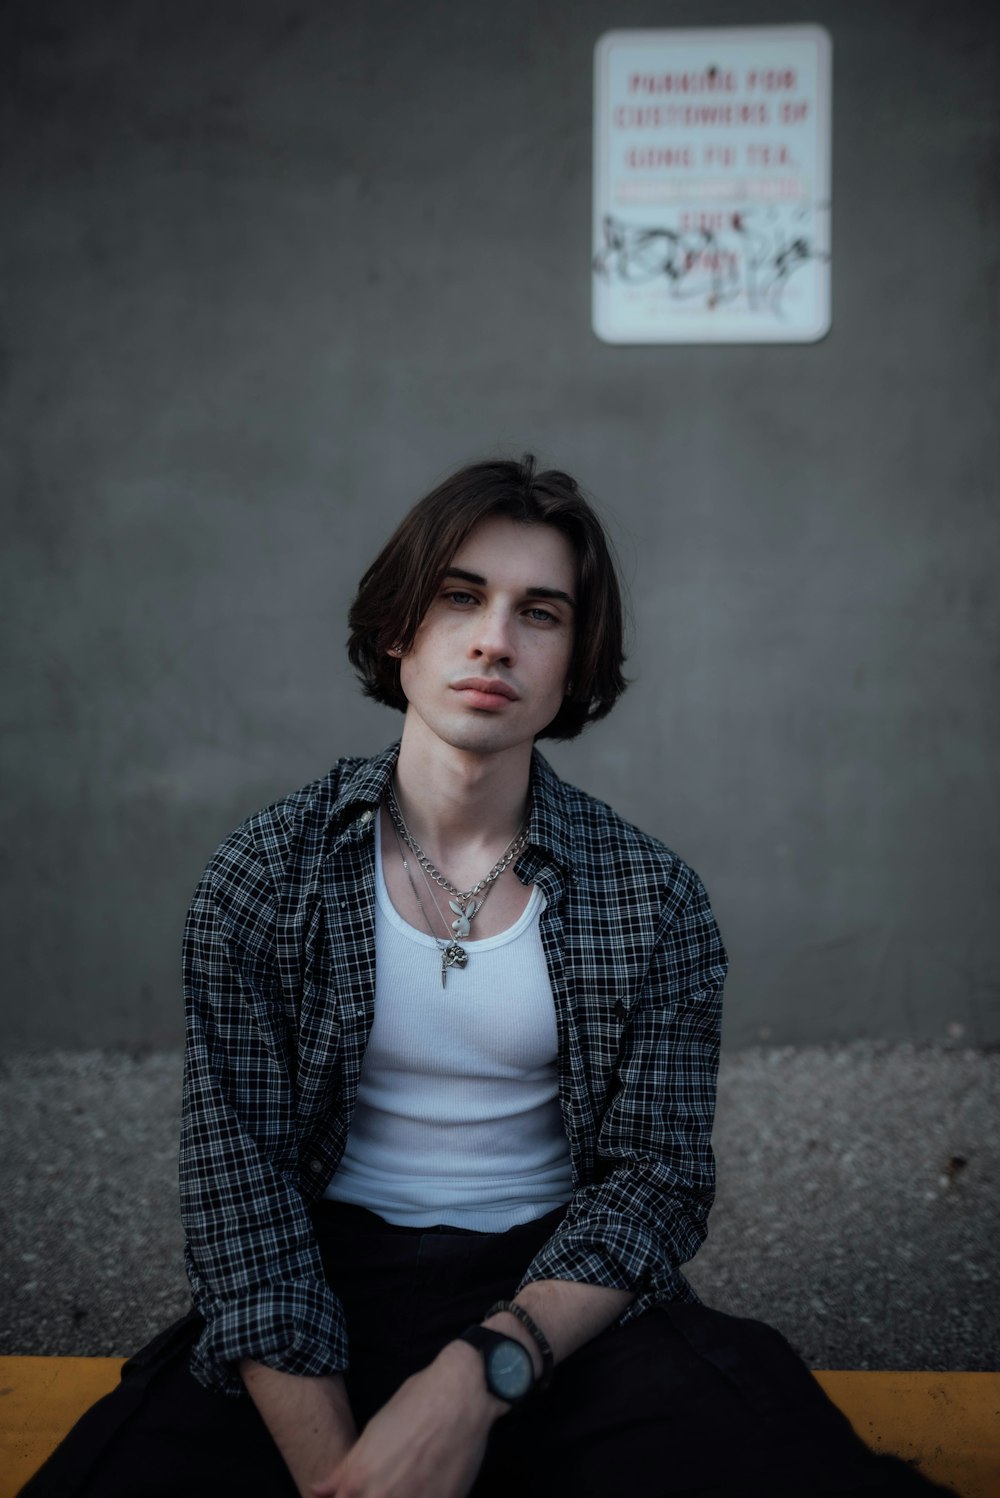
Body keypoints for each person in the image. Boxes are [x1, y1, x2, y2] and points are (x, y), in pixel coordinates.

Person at [22, 456, 955, 1498]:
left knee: (791, 1463)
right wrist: (342, 1472)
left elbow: (654, 1185)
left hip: (556, 1292)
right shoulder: (265, 873)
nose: (494, 638)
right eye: (460, 595)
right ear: (397, 630)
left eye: (541, 613)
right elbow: (240, 1200)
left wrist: (476, 1377)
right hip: (317, 1285)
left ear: (573, 667)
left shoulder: (651, 895)